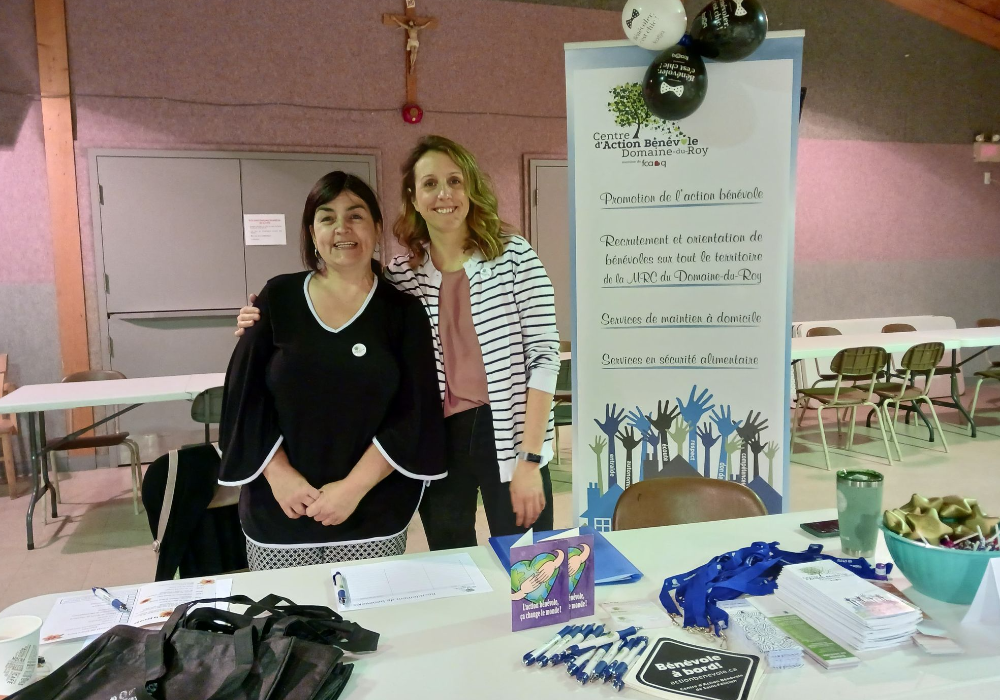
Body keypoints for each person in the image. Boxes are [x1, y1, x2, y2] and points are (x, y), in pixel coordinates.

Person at [238, 136, 560, 550]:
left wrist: (530, 459)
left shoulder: (514, 256)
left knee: (536, 561)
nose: (444, 194)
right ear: (414, 196)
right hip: (438, 437)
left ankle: (548, 617)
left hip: (511, 429)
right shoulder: (402, 274)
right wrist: (258, 315)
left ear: (471, 189)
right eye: (429, 184)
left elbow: (544, 359)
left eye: (454, 181)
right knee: (451, 558)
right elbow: (348, 302)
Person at [220, 171, 445, 570]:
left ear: (377, 227)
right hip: (281, 509)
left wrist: (351, 490)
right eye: (327, 217)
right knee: (284, 624)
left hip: (372, 509)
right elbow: (245, 399)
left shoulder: (403, 312)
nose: (342, 229)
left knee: (369, 624)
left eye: (356, 215)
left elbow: (415, 412)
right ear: (311, 231)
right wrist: (280, 477)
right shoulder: (278, 297)